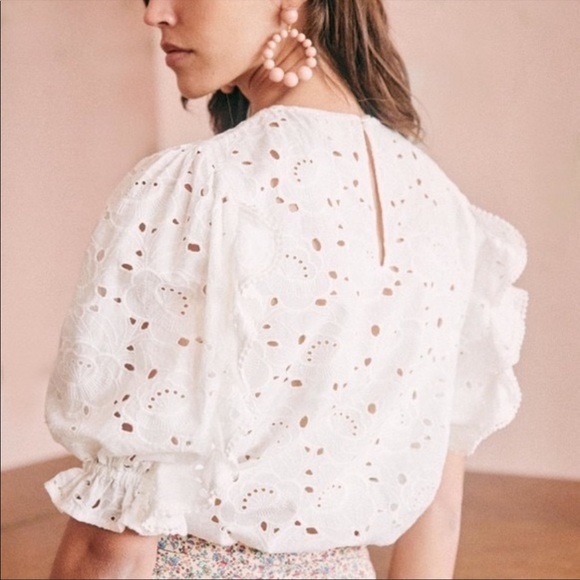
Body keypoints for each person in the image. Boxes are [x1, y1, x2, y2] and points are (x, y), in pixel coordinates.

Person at [45, 1, 528, 579]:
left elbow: (112, 543)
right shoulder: (447, 212)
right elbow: (439, 514)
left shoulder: (199, 187)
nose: (155, 15)